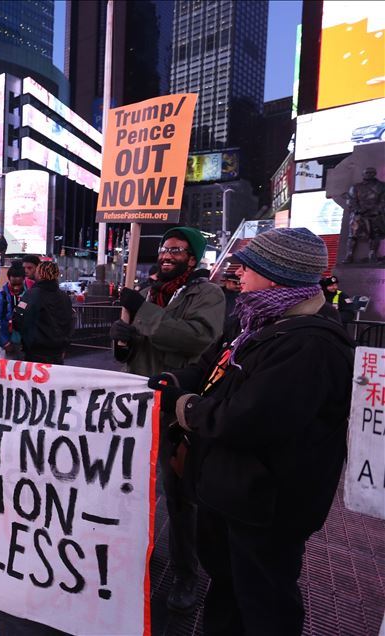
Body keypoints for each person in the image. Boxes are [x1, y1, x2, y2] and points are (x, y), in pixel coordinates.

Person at [149, 227, 353, 635]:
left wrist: (186, 406)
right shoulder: (251, 318)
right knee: (226, 588)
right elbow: (207, 366)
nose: (239, 273)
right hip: (228, 490)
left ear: (277, 275)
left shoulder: (311, 344)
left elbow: (246, 421)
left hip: (268, 506)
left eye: (250, 266)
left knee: (264, 601)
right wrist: (173, 381)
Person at [108, 226, 225, 612]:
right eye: (163, 249)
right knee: (134, 486)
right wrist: (123, 340)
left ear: (192, 257)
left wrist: (142, 314)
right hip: (138, 406)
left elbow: (196, 339)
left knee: (179, 497)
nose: (166, 255)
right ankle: (140, 550)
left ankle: (185, 573)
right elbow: (131, 351)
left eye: (176, 250)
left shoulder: (206, 294)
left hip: (176, 407)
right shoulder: (147, 292)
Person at [11, 261, 73, 364]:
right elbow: (70, 322)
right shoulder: (64, 297)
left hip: (36, 350)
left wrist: (25, 337)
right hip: (58, 350)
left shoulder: (31, 294)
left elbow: (18, 318)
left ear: (39, 273)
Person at [0, 261, 27, 360]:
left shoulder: (30, 296)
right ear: (8, 279)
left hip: (26, 345)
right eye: (13, 284)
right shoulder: (0, 297)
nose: (16, 287)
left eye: (19, 284)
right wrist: (4, 343)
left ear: (24, 280)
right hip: (8, 345)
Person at [220, 271, 242, 341]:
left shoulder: (242, 297)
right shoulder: (217, 293)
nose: (238, 286)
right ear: (227, 281)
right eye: (235, 283)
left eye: (240, 283)